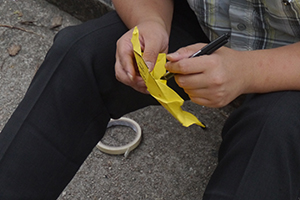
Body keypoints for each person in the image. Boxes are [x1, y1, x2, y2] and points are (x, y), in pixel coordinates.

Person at [0, 0, 300, 199]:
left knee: (275, 131)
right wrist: (149, 21)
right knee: (82, 55)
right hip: (204, 26)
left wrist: (248, 72)